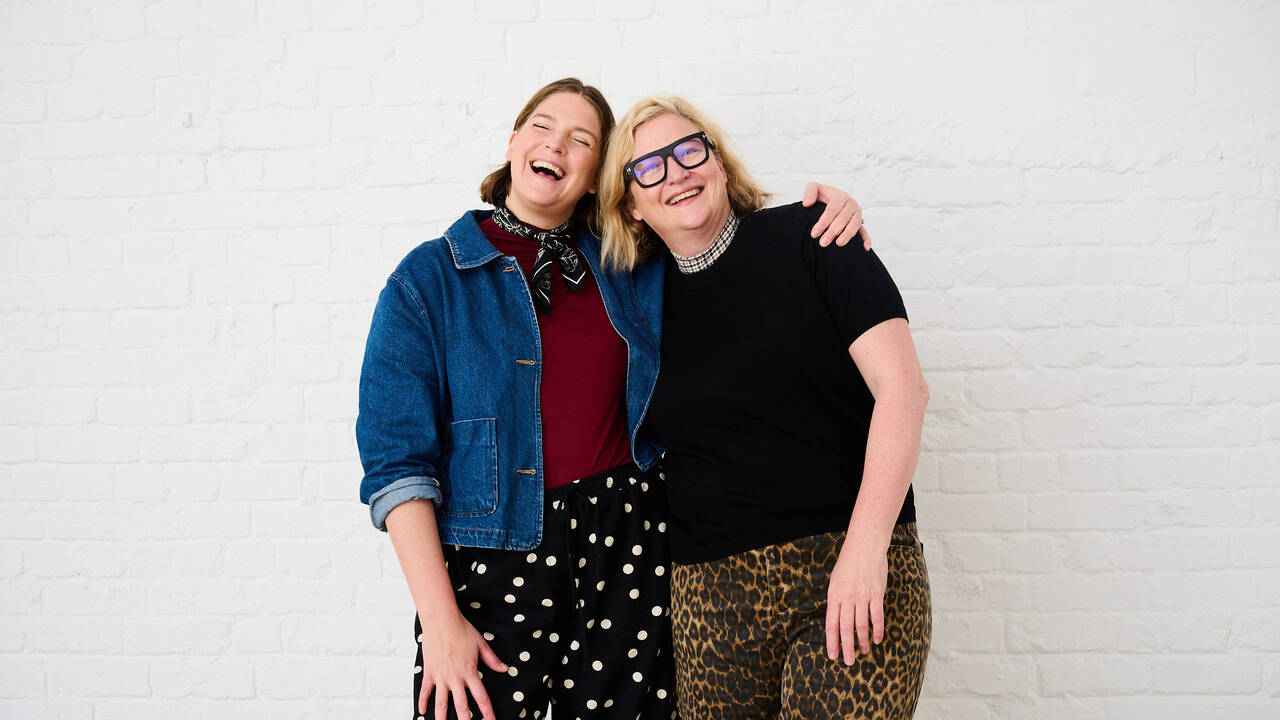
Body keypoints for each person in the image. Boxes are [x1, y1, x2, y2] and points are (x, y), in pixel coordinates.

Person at [356, 78, 869, 720]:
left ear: (599, 179)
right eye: (543, 127)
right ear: (513, 144)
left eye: (581, 140)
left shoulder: (632, 263)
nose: (557, 146)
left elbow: (714, 240)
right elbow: (397, 465)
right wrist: (438, 620)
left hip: (628, 547)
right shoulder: (426, 281)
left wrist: (816, 219)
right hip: (489, 560)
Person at [597, 96, 932, 720]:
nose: (675, 173)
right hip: (708, 598)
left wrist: (867, 550)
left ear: (719, 162)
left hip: (845, 562)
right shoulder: (632, 304)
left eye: (689, 151)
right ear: (630, 206)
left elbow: (904, 390)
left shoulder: (815, 237)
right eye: (648, 168)